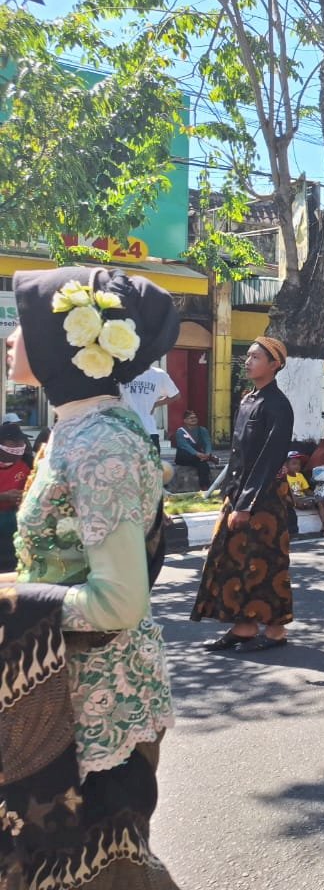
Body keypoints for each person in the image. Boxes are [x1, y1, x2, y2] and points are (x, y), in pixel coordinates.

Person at [1, 265, 180, 888]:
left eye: (21, 323)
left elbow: (120, 601)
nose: (9, 337)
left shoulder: (99, 440)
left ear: (61, 342)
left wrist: (14, 598)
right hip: (64, 689)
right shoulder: (76, 426)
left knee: (99, 869)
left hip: (97, 701)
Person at [191, 335, 295, 651]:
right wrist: (231, 496)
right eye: (247, 356)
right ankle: (244, 626)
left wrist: (247, 504)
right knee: (232, 561)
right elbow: (239, 456)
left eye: (256, 357)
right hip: (239, 495)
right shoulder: (249, 399)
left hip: (264, 500)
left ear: (275, 365)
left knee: (265, 563)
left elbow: (268, 459)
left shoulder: (278, 405)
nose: (248, 362)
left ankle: (275, 631)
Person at [119, 361, 179, 450]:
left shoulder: (159, 374)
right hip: (131, 429)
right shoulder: (120, 372)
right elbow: (175, 395)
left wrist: (155, 404)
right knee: (151, 463)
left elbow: (175, 395)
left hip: (133, 429)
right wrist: (155, 404)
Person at [0, 421, 33, 573]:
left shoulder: (27, 463)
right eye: (12, 442)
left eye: (21, 441)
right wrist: (3, 497)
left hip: (16, 525)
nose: (19, 446)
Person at [284, 450, 324, 535]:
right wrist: (295, 502)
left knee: (320, 501)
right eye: (294, 463)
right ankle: (303, 504)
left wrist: (315, 496)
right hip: (293, 499)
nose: (297, 466)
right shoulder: (284, 477)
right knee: (295, 501)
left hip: (303, 498)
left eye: (299, 464)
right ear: (286, 465)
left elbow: (306, 490)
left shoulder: (300, 475)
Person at [174, 408, 217, 489]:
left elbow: (207, 442)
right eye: (191, 418)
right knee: (201, 460)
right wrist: (197, 454)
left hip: (199, 456)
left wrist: (207, 453)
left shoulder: (202, 430)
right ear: (185, 420)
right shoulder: (180, 431)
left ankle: (205, 486)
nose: (194, 419)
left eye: (195, 417)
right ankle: (209, 459)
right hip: (185, 456)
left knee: (203, 464)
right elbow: (184, 445)